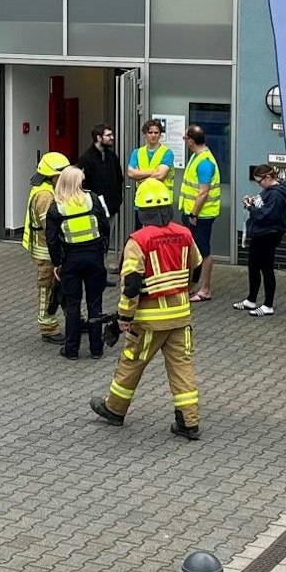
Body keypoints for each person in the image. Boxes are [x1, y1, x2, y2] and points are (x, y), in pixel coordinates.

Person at [88, 179, 204, 441]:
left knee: (131, 363)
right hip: (180, 316)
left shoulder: (138, 241)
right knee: (182, 368)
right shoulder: (184, 233)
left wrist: (124, 318)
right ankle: (189, 422)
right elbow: (196, 266)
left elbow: (131, 285)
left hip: (148, 321)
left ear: (141, 210)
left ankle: (115, 409)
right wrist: (187, 289)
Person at [46, 166, 110, 361]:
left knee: (73, 305)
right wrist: (102, 251)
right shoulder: (93, 199)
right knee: (95, 303)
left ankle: (71, 349)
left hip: (71, 260)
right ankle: (96, 349)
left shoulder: (57, 206)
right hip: (94, 258)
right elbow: (104, 227)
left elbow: (51, 239)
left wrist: (57, 263)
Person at [21, 152, 71, 344]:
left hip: (52, 251)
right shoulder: (44, 196)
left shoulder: (47, 189)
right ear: (52, 175)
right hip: (47, 253)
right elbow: (50, 229)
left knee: (64, 286)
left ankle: (75, 319)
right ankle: (48, 327)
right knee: (47, 288)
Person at [234, 165, 286, 318]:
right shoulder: (268, 191)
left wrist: (250, 208)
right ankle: (251, 300)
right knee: (253, 266)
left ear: (268, 178)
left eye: (259, 181)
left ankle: (268, 305)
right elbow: (263, 208)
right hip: (260, 233)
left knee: (266, 268)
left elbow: (265, 216)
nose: (258, 184)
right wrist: (253, 203)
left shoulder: (277, 195)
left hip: (268, 235)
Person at [178, 126, 222, 301]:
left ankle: (205, 290)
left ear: (191, 140)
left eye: (185, 138)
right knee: (194, 250)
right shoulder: (197, 157)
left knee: (204, 251)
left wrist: (193, 214)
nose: (184, 141)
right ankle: (192, 286)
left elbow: (203, 192)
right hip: (194, 212)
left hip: (201, 215)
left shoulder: (204, 162)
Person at [76, 125, 124, 260]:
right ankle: (95, 273)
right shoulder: (86, 159)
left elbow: (118, 178)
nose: (112, 138)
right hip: (94, 209)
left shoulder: (112, 157)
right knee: (94, 241)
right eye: (108, 135)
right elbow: (83, 185)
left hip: (111, 206)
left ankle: (101, 273)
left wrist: (117, 199)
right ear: (98, 138)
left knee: (106, 240)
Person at [124, 120, 175, 229]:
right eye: (150, 132)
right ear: (144, 135)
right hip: (142, 202)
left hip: (161, 204)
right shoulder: (137, 152)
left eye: (156, 133)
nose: (153, 135)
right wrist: (153, 171)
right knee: (142, 238)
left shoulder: (167, 152)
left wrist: (140, 175)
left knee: (159, 237)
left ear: (160, 134)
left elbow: (161, 175)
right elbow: (130, 173)